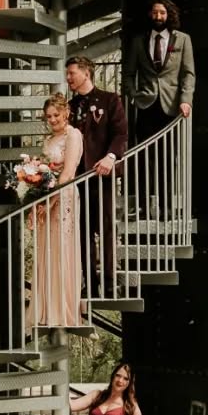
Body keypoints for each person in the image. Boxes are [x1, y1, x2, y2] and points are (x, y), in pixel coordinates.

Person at [64, 54, 127, 299]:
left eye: (72, 73)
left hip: (102, 176)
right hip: (77, 178)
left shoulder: (110, 100)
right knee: (83, 233)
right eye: (67, 74)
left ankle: (109, 282)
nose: (68, 78)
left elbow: (121, 133)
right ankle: (89, 282)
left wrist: (111, 157)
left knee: (106, 229)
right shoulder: (69, 107)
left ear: (86, 73)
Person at [29, 94, 83, 328]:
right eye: (48, 116)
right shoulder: (48, 140)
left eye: (56, 115)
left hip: (65, 197)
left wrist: (50, 203)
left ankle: (63, 310)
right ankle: (45, 309)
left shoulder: (74, 135)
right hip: (48, 200)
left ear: (66, 113)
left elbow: (68, 172)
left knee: (61, 247)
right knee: (46, 249)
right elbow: (43, 175)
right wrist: (36, 202)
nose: (52, 119)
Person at [122, 0, 196, 141]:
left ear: (169, 15)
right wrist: (133, 95)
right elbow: (128, 73)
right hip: (145, 104)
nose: (158, 17)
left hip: (172, 105)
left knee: (170, 150)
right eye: (155, 12)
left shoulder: (183, 39)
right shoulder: (138, 41)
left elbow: (188, 73)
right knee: (145, 149)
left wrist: (186, 100)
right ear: (150, 14)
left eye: (162, 13)